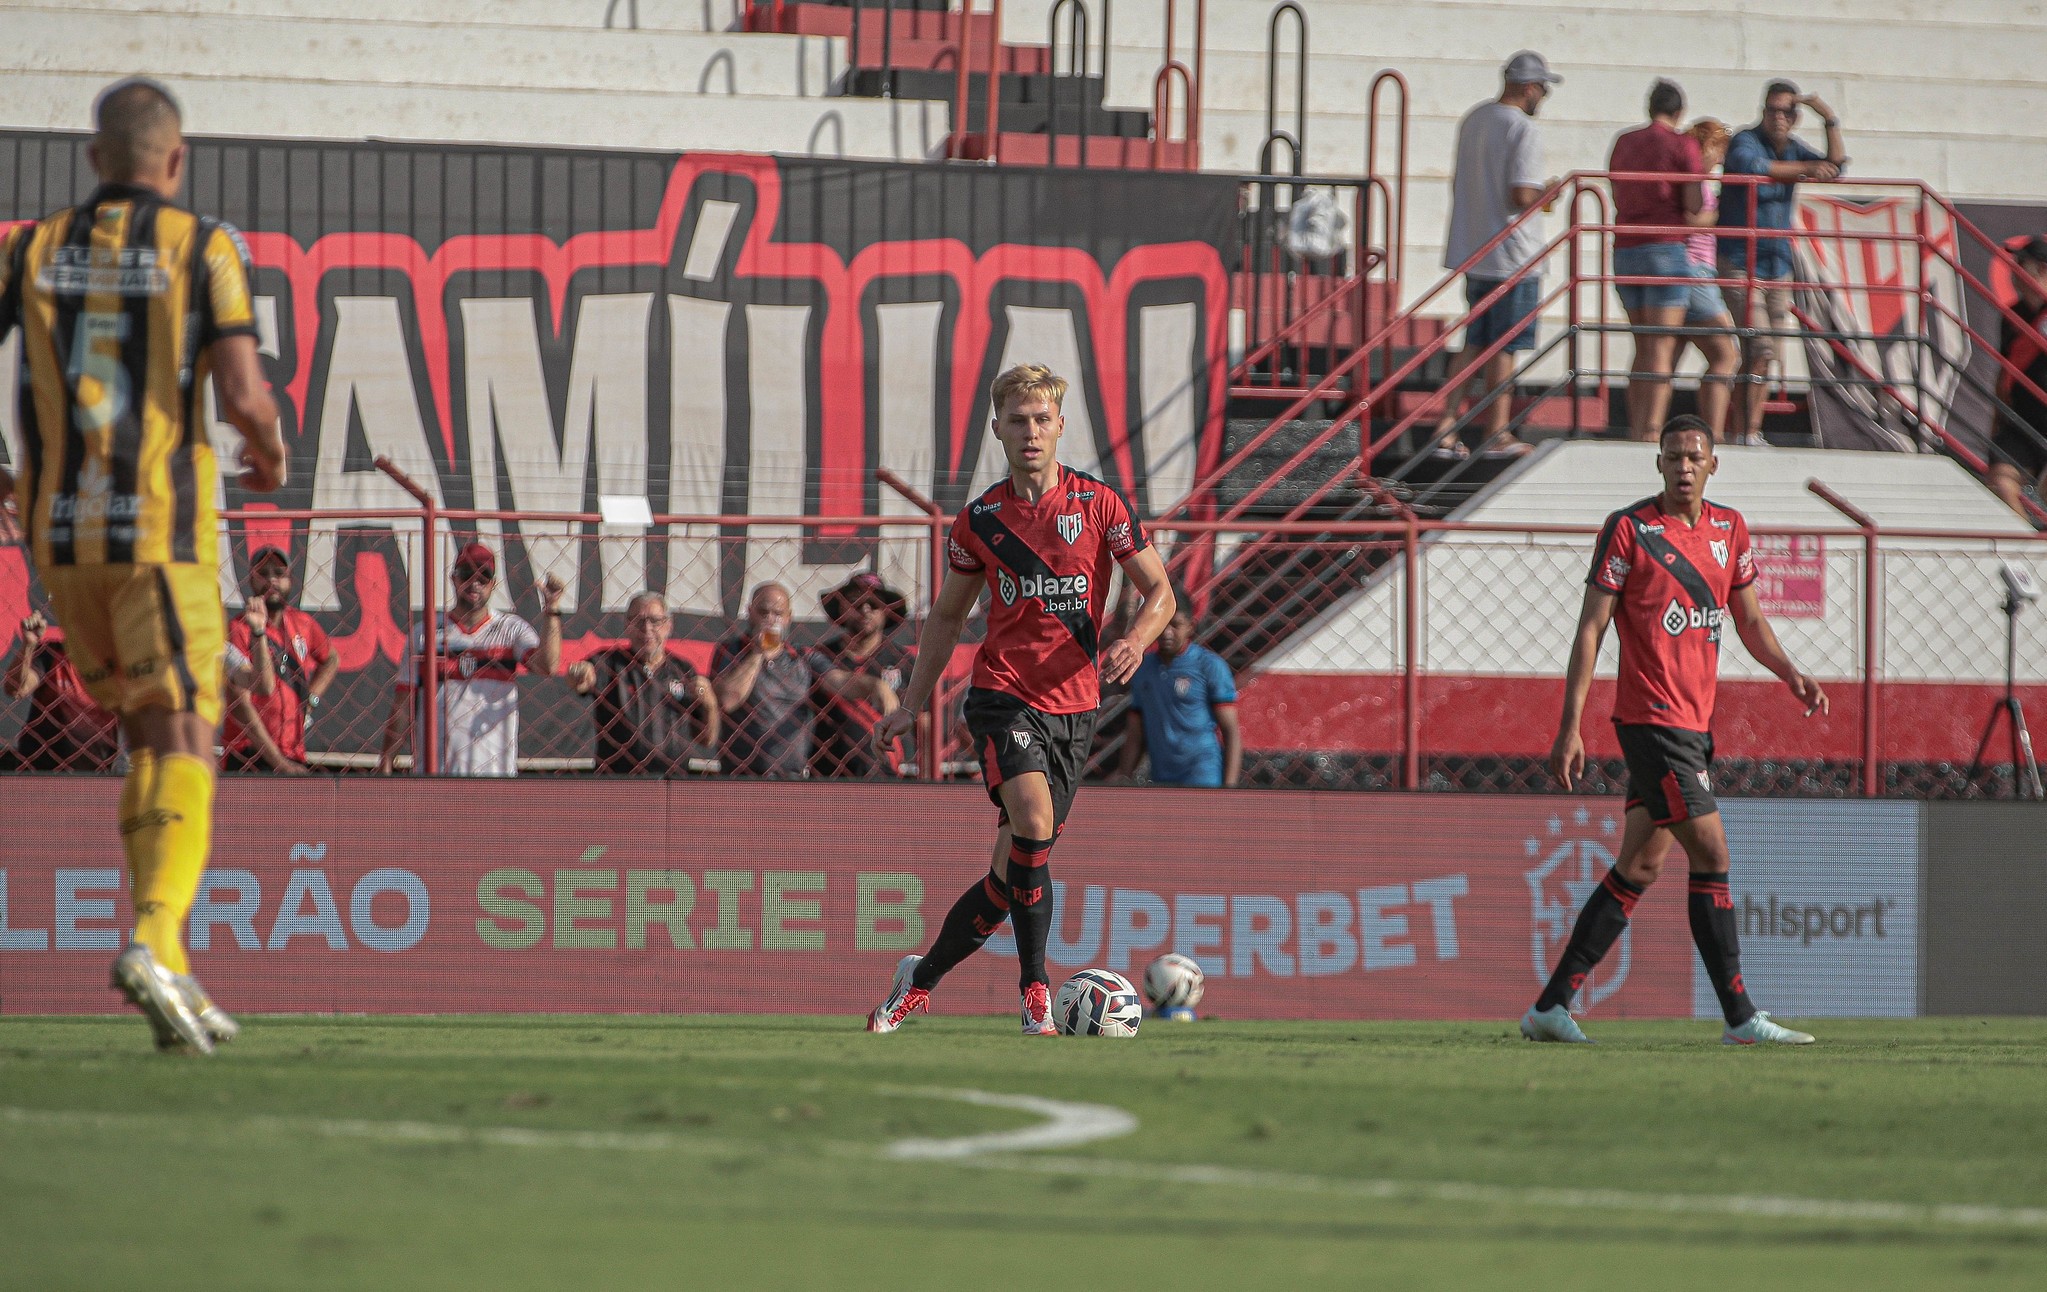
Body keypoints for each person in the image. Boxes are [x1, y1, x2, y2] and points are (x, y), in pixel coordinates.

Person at [0, 78, 288, 1053]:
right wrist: (272, 452)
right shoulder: (202, 246)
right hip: (159, 535)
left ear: (93, 160)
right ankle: (158, 942)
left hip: (60, 540)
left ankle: (172, 962)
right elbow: (245, 395)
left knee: (144, 740)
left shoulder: (29, 248)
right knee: (193, 742)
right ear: (177, 158)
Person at [865, 363, 1174, 1035]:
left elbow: (1159, 592)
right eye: (1017, 420)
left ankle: (917, 981)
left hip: (1075, 707)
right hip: (1002, 695)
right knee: (1032, 824)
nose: (1030, 431)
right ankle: (1035, 990)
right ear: (997, 429)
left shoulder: (1100, 505)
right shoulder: (981, 520)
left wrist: (1137, 639)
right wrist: (912, 705)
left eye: (1041, 419)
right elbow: (947, 618)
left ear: (1060, 426)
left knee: (1012, 876)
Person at [1529, 415, 1828, 1046]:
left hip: (1694, 724)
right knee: (1713, 854)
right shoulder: (1630, 529)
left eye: (1694, 457)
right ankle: (1742, 1018)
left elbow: (1749, 621)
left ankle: (1550, 1008)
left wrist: (1790, 673)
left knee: (1639, 864)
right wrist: (1570, 727)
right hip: (1651, 720)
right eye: (1672, 457)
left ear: (1713, 464)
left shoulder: (1731, 530)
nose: (1683, 467)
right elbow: (1591, 629)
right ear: (1659, 464)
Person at [1431, 50, 1562, 458]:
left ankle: (1446, 427)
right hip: (1513, 254)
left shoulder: (1475, 118)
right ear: (1528, 87)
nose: (1543, 96)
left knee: (1475, 341)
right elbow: (1521, 194)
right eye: (1542, 88)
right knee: (1503, 345)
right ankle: (1497, 432)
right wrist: (1551, 192)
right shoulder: (1522, 128)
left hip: (1476, 249)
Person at [1717, 80, 1846, 446]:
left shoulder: (1793, 149)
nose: (1776, 117)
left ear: (1794, 117)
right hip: (1740, 260)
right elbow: (1756, 167)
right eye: (1771, 109)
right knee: (1760, 348)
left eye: (1784, 111)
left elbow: (1835, 167)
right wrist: (1808, 169)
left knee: (1764, 353)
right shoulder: (1745, 140)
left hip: (1776, 263)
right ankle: (1745, 431)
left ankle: (1746, 430)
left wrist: (1830, 120)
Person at [1608, 80, 1737, 442]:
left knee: (1645, 345)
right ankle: (1651, 433)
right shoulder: (1680, 144)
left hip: (1625, 247)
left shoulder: (1624, 141)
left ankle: (1639, 430)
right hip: (1666, 248)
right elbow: (1694, 204)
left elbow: (1616, 188)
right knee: (1663, 347)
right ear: (1679, 111)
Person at [377, 541, 563, 777]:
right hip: (435, 773)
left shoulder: (511, 629)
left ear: (493, 584)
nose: (474, 583)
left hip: (496, 775)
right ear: (453, 578)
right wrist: (386, 758)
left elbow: (548, 666)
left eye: (483, 577)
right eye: (466, 574)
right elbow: (404, 703)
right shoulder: (425, 634)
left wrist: (552, 610)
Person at [568, 590, 718, 776]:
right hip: (619, 779)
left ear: (668, 625)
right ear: (626, 625)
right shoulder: (609, 662)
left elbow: (706, 740)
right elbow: (582, 680)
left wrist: (709, 705)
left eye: (655, 621)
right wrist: (580, 675)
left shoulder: (683, 669)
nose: (646, 629)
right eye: (638, 621)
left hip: (673, 780)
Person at [221, 544, 335, 773]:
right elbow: (240, 705)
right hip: (249, 754)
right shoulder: (240, 628)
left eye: (279, 574)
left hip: (293, 749)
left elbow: (331, 659)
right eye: (263, 574)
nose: (271, 580)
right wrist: (278, 763)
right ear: (251, 580)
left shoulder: (302, 623)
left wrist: (311, 700)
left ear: (290, 580)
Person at [1117, 599, 1241, 788]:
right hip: (1160, 777)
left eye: (1175, 625)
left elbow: (1231, 731)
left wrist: (1230, 788)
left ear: (1190, 626)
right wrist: (1123, 779)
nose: (1167, 632)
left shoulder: (1209, 666)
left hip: (1202, 777)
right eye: (1163, 624)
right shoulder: (1142, 669)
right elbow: (1135, 732)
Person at [713, 581, 825, 778]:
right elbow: (727, 700)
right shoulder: (730, 651)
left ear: (788, 617)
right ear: (749, 612)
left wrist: (876, 687)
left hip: (791, 775)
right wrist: (758, 652)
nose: (770, 620)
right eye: (763, 612)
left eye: (778, 614)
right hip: (740, 774)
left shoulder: (803, 657)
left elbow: (839, 681)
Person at [808, 571, 911, 778]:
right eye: (856, 603)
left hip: (889, 775)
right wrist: (875, 686)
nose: (865, 610)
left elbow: (925, 722)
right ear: (842, 608)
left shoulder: (905, 661)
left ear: (885, 611)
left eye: (873, 604)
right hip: (828, 776)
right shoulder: (821, 657)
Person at [1679, 118, 1741, 440]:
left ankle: (1646, 430)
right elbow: (1691, 220)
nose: (1720, 157)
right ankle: (1713, 434)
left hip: (1690, 271)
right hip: (1696, 271)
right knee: (1725, 355)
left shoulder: (1694, 179)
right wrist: (1721, 214)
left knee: (1664, 354)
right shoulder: (1695, 180)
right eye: (1718, 148)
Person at [2, 612, 120, 772]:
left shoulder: (118, 666)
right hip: (40, 773)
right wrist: (29, 645)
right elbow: (15, 689)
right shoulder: (51, 654)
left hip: (96, 776)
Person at [1988, 235, 2047, 518]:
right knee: (2001, 480)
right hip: (2023, 421)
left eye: (2021, 263)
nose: (2013, 270)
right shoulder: (2013, 315)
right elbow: (2005, 371)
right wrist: (1996, 421)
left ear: (2043, 270)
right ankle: (2030, 555)